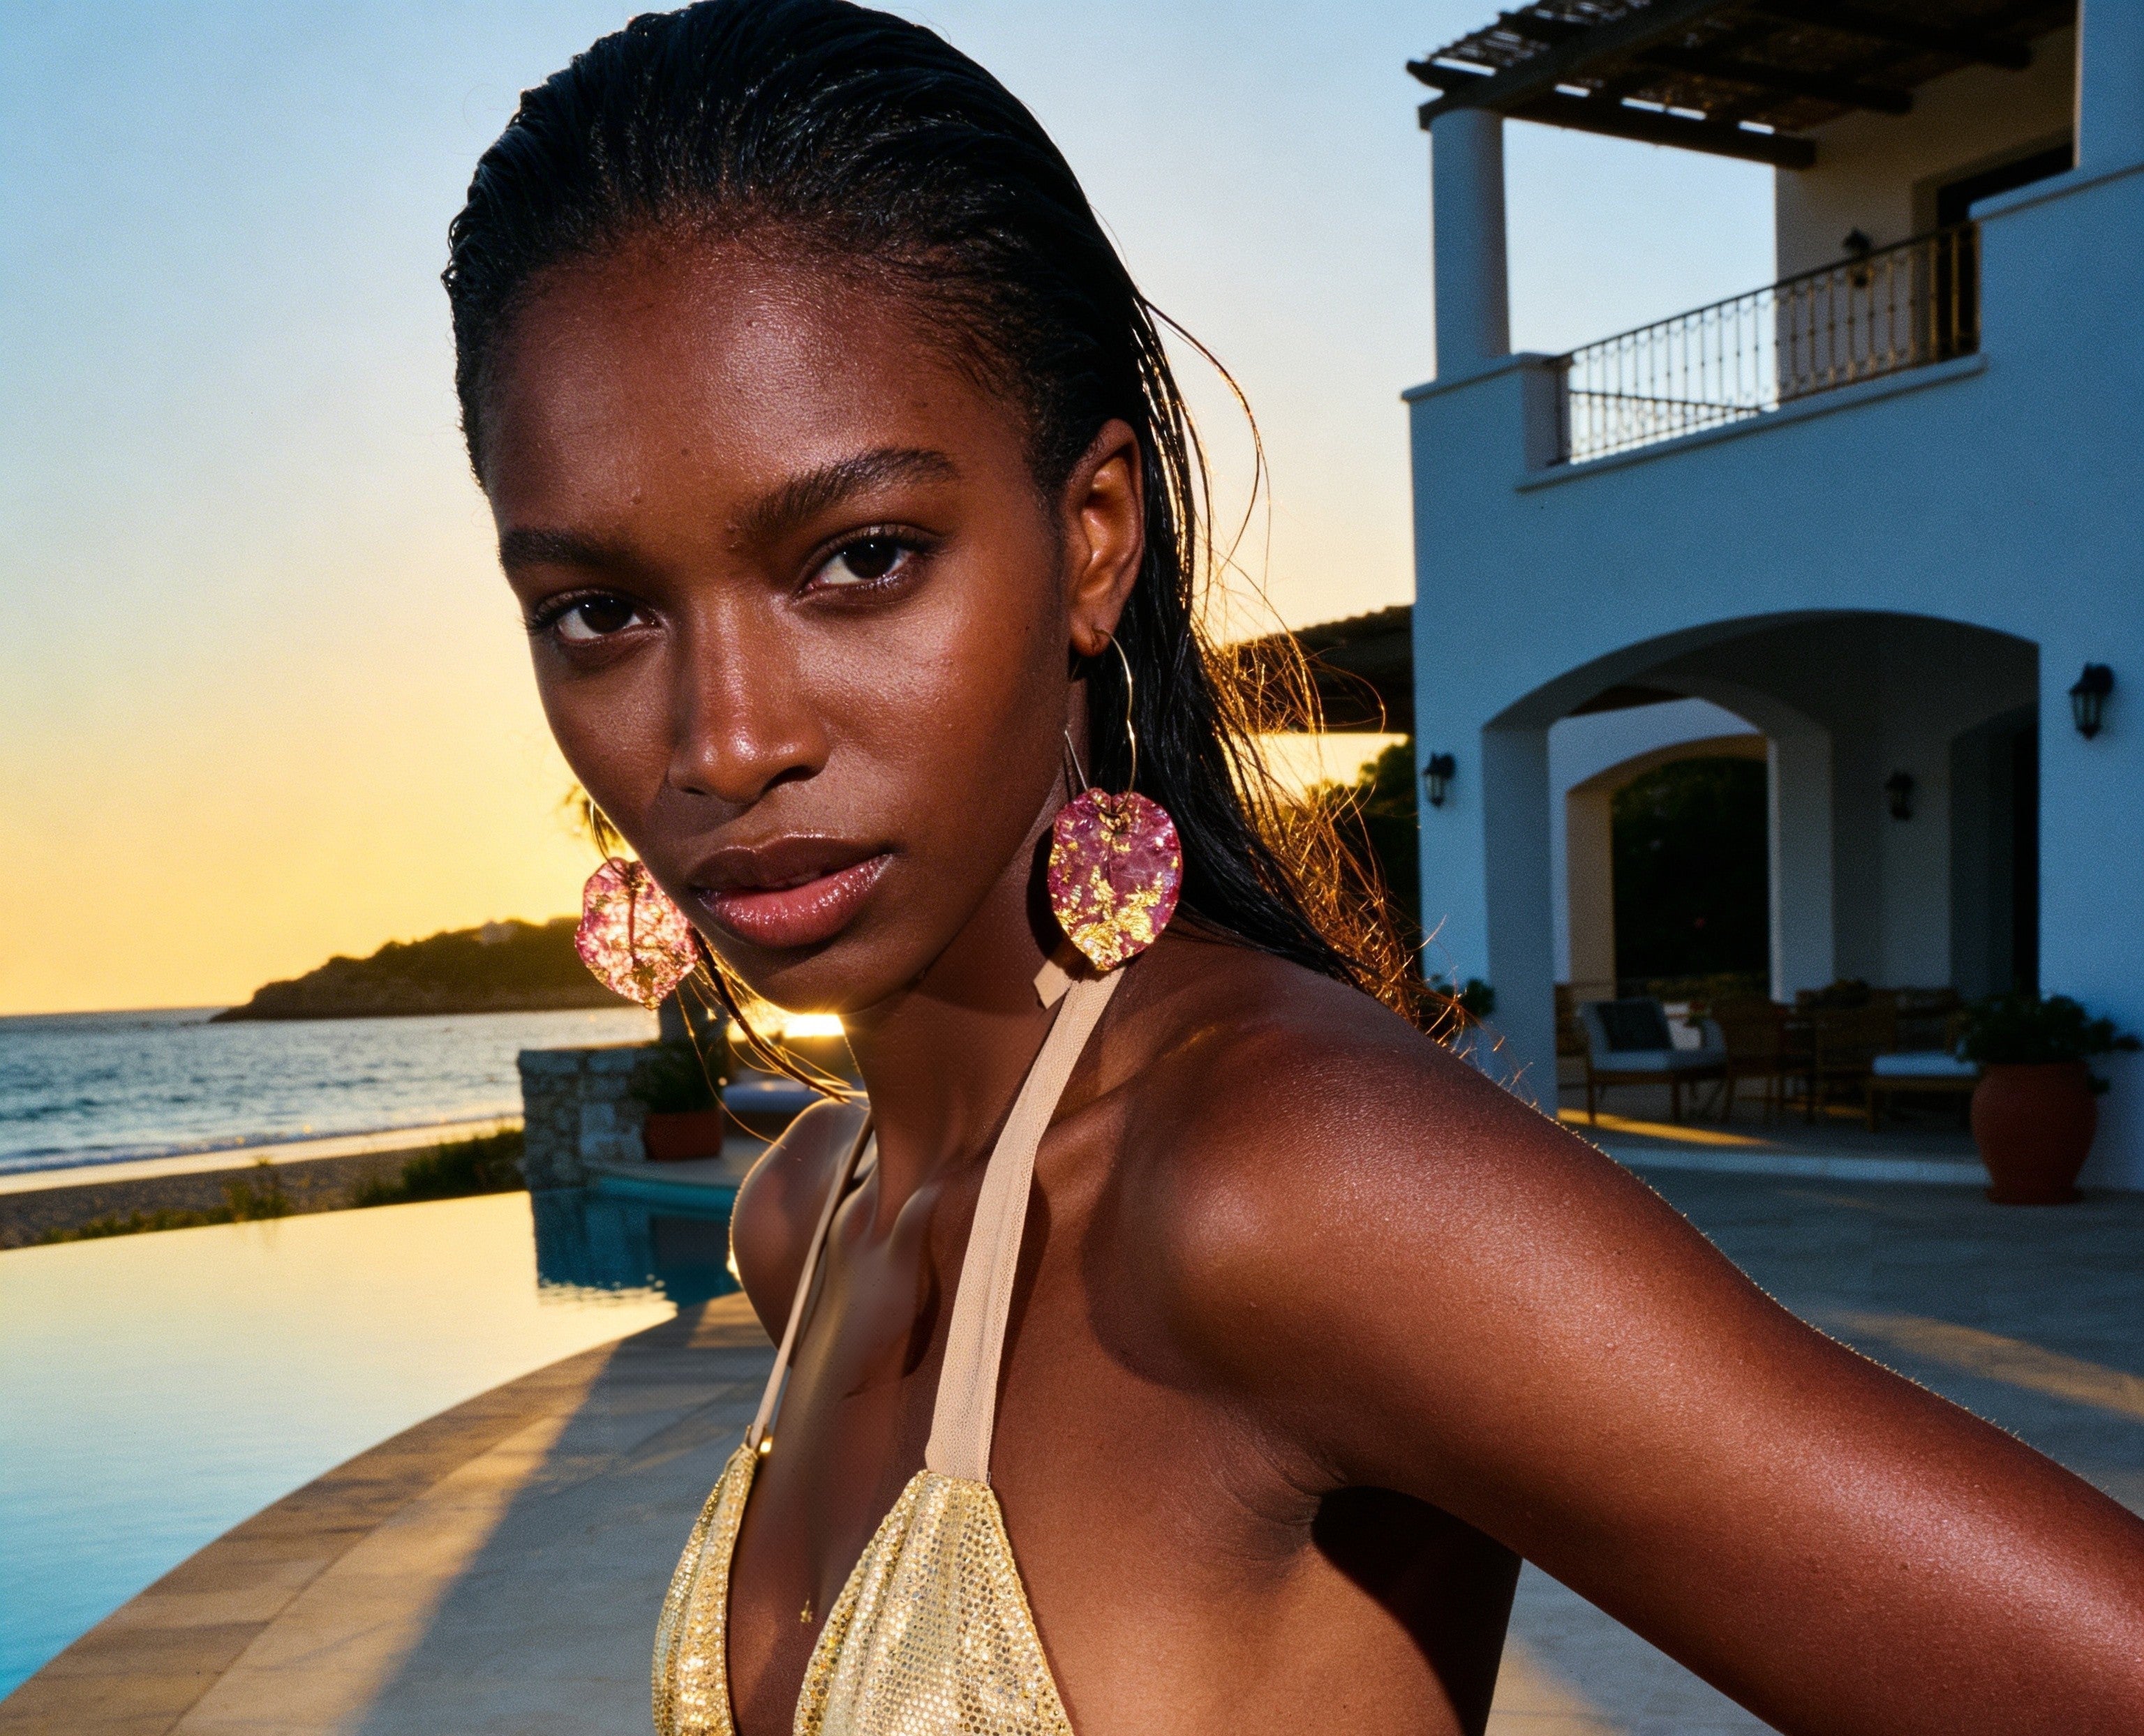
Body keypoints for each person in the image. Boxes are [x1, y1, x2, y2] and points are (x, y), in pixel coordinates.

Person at [443, 4, 2144, 1731]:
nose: (724, 738)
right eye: (600, 610)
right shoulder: (804, 1221)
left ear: (1092, 539)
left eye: (861, 557)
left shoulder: (1280, 1183)